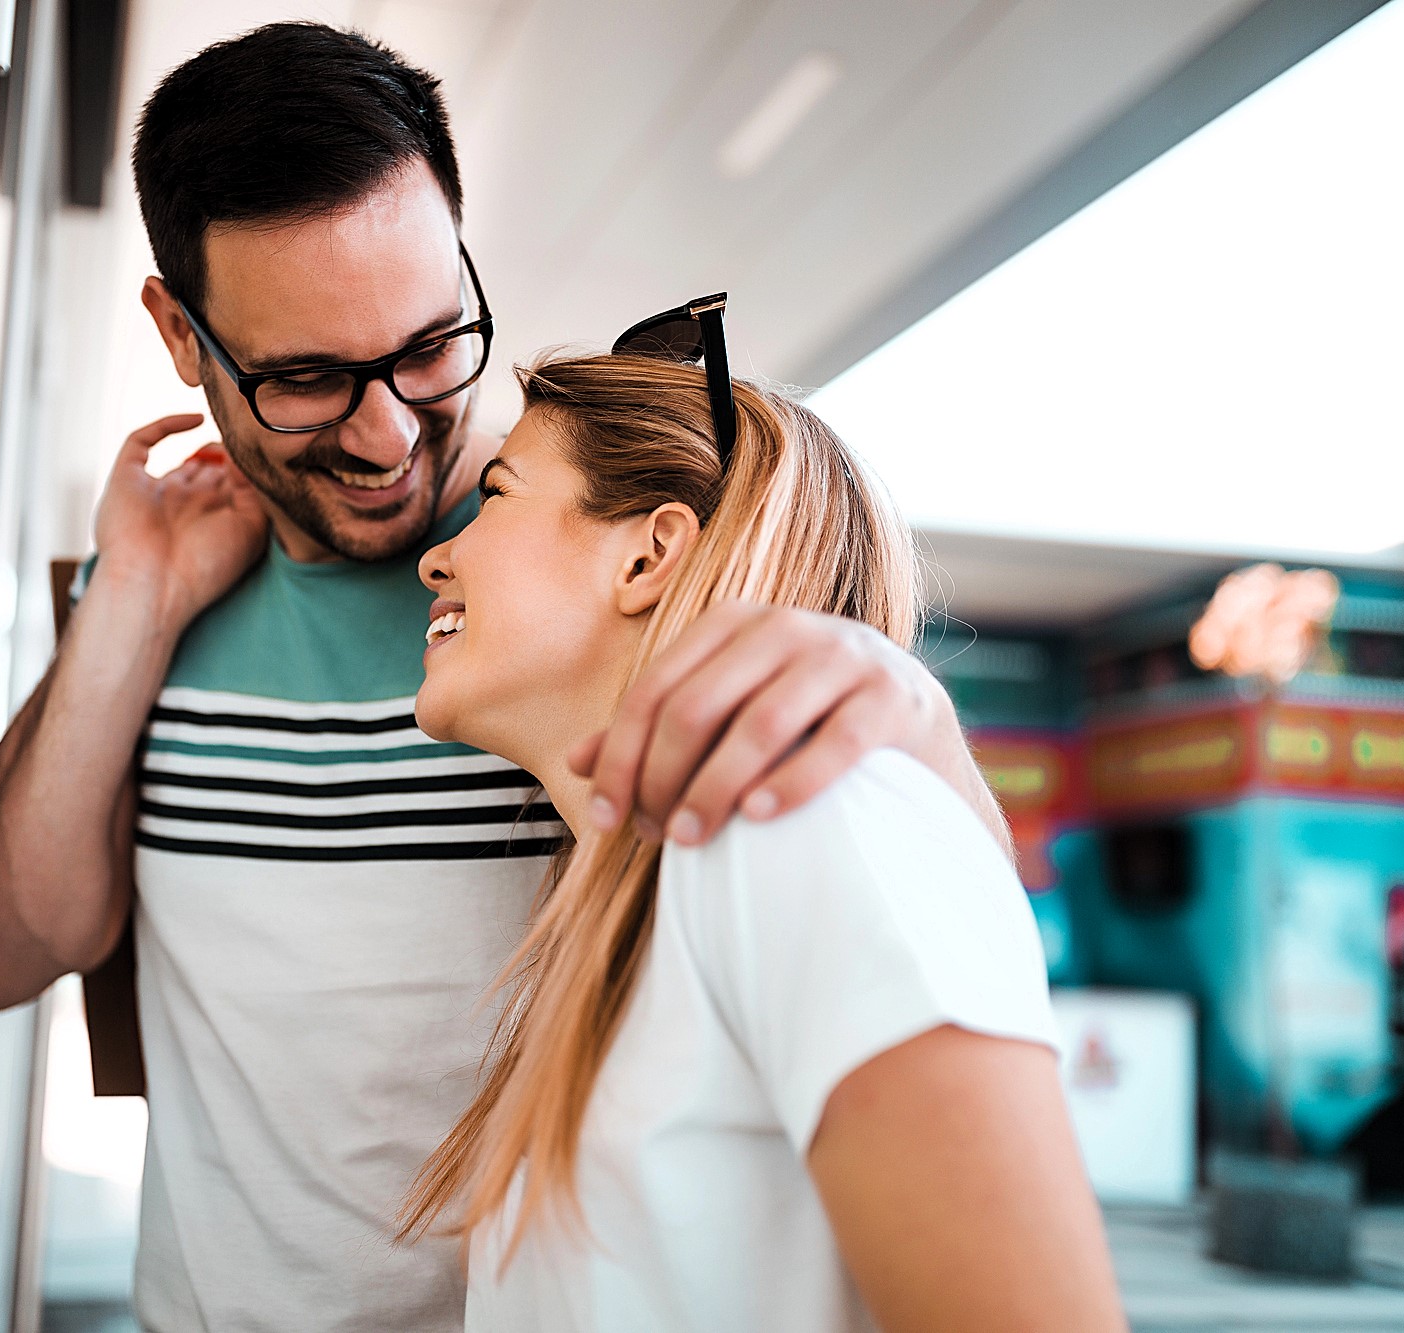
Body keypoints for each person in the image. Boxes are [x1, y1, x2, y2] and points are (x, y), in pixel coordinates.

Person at [0, 23, 1011, 1332]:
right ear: (178, 333)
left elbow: (917, 952)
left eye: (432, 343)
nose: (388, 433)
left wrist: (910, 720)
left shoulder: (587, 596)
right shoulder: (150, 598)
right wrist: (131, 609)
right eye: (307, 378)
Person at [401, 347, 1121, 1331]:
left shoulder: (800, 829)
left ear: (646, 556)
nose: (437, 557)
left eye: (494, 493)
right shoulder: (632, 907)